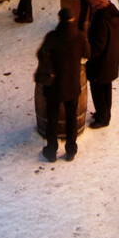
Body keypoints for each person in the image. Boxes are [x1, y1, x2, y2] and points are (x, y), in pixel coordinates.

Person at [36, 9, 87, 162]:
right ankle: (70, 150)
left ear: (60, 19)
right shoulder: (79, 37)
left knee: (52, 119)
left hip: (53, 86)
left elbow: (40, 54)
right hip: (72, 84)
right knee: (71, 117)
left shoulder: (52, 37)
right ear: (73, 19)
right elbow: (89, 53)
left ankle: (51, 151)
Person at [83, 0, 119, 129]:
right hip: (111, 57)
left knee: (98, 88)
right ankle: (106, 113)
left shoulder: (101, 18)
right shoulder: (111, 9)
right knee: (106, 86)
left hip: (101, 61)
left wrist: (88, 55)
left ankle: (102, 118)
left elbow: (98, 44)